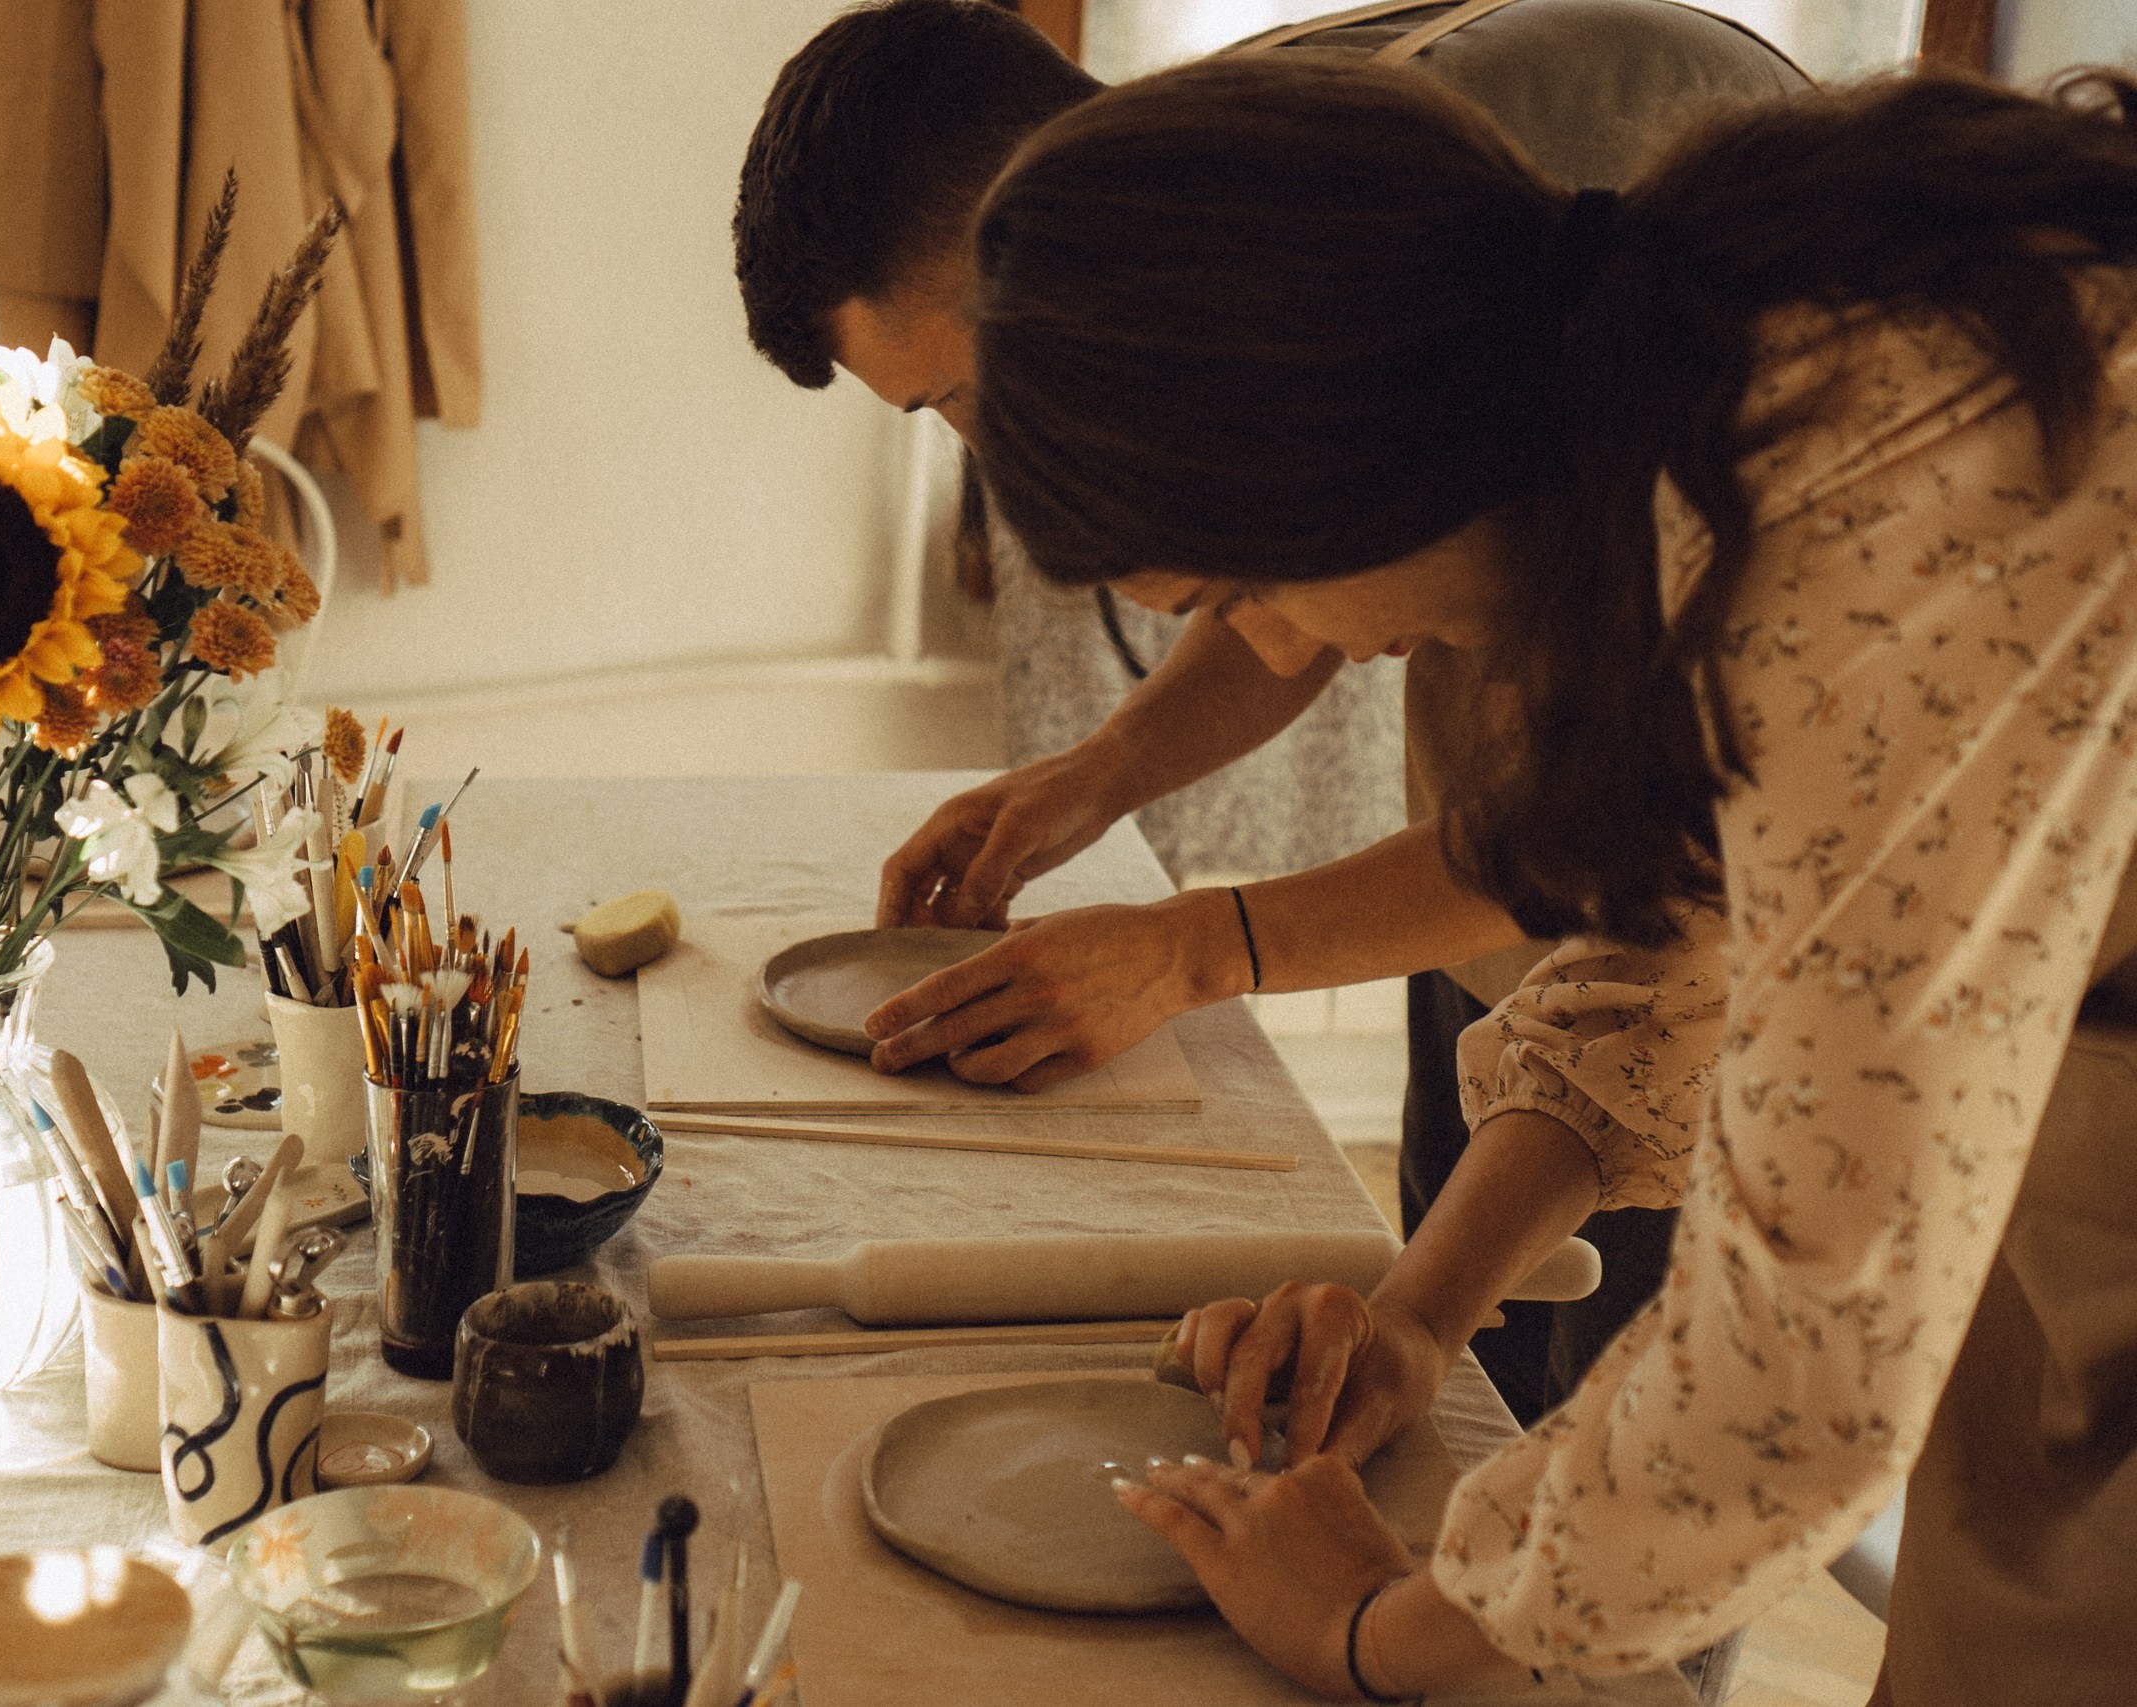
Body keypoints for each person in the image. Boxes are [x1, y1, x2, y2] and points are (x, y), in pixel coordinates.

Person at [967, 52, 2137, 1704]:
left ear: (1340, 460)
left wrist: (1383, 1633)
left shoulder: (1870, 508)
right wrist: (1420, 1319)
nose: (1299, 649)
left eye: (1250, 584)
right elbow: (1686, 919)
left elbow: (1798, 1389)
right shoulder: (1707, 375)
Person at [733, 0, 1798, 1423]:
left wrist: (1200, 949)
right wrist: (1107, 771)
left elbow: (1770, 1444)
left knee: (1644, 1408)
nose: (1310, 647)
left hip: (1824, 1002)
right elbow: (1617, 916)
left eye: (962, 398)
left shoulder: (1760, 542)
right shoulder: (1210, 204)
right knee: (1483, 1371)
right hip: (1590, 924)